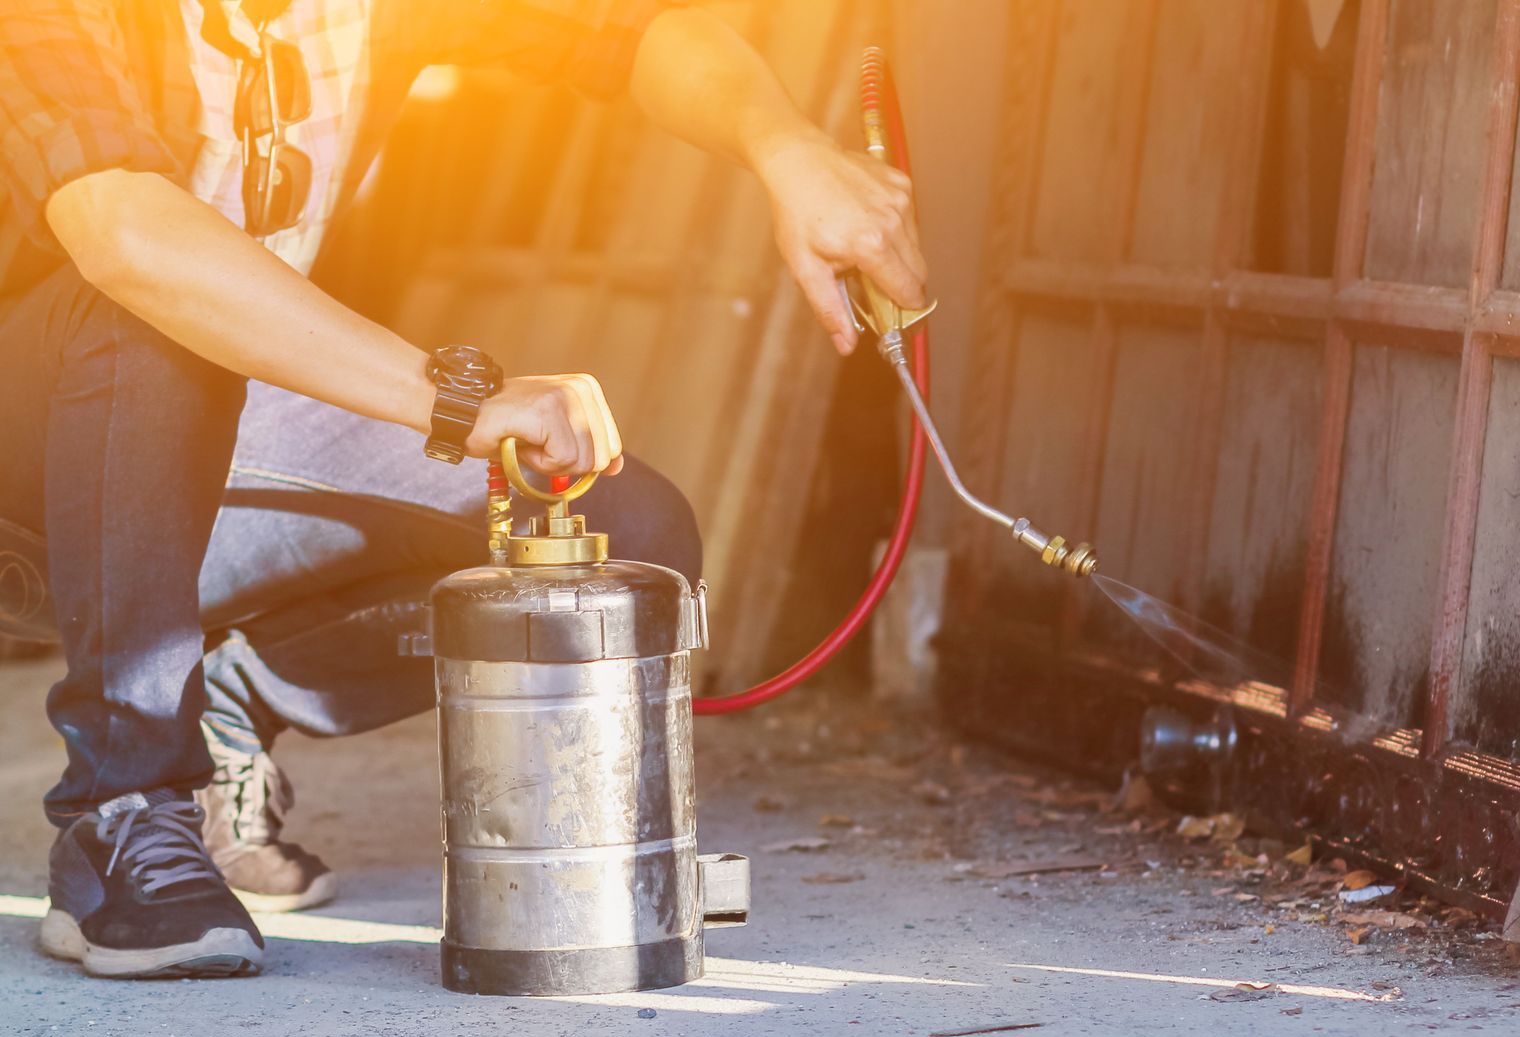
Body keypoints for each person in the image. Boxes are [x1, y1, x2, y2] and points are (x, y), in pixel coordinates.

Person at [0, 0, 928, 978]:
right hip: (36, 463)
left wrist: (788, 149)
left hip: (207, 439)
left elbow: (640, 33)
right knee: (153, 306)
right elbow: (127, 237)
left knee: (625, 531)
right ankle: (123, 809)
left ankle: (233, 698)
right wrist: (446, 401)